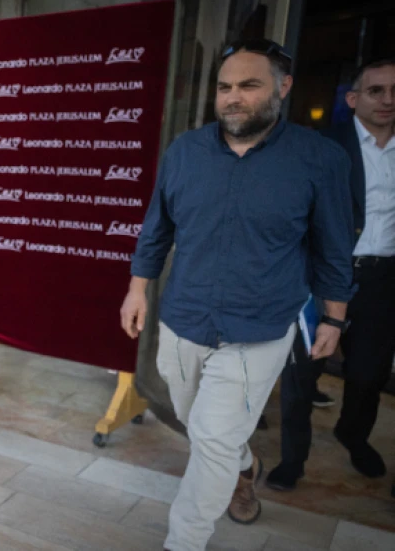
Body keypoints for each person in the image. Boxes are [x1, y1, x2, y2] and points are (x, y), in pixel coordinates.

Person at [120, 38, 356, 550]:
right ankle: (246, 463)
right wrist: (138, 290)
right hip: (183, 317)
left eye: (249, 85)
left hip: (259, 327)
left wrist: (334, 320)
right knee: (194, 421)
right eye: (225, 87)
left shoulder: (320, 159)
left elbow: (334, 247)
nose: (233, 97)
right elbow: (156, 230)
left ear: (282, 87)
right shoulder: (185, 151)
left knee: (212, 438)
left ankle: (184, 541)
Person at [267, 57, 395, 494]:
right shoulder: (322, 147)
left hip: (383, 281)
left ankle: (352, 435)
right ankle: (292, 459)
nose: (388, 99)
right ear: (354, 99)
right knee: (303, 374)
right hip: (321, 279)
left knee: (367, 375)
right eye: (376, 90)